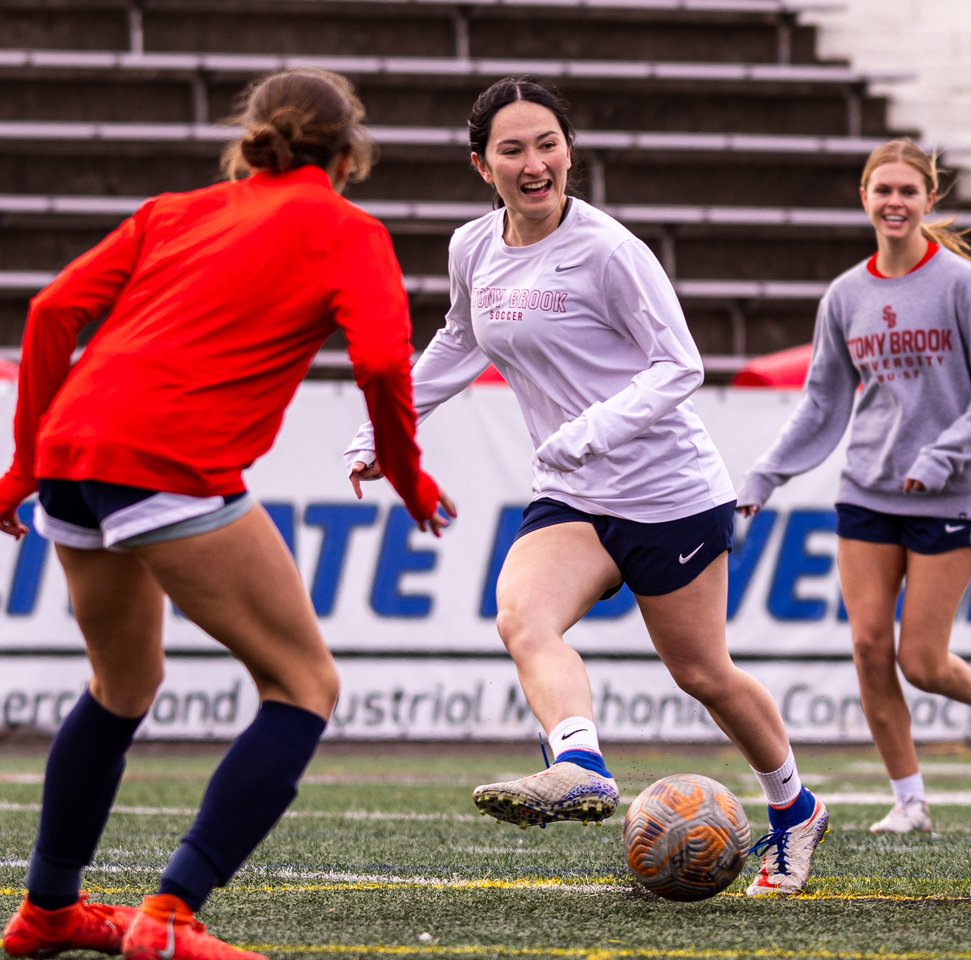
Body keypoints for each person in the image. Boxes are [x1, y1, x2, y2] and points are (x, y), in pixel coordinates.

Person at [0, 68, 453, 960]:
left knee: (121, 687)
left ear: (251, 139)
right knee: (304, 686)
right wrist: (406, 475)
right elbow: (383, 365)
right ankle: (170, 916)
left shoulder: (176, 210)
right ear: (351, 153)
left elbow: (53, 311)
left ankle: (48, 911)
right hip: (167, 462)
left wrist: (22, 465)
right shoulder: (349, 232)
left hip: (72, 453)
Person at [344, 74, 827, 895]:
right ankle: (579, 762)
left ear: (569, 152)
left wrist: (588, 432)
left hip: (669, 492)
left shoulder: (610, 249)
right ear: (480, 165)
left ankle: (795, 809)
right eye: (513, 150)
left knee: (703, 673)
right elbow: (456, 346)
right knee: (521, 616)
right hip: (573, 494)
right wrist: (380, 432)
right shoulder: (472, 248)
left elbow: (682, 365)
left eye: (548, 145)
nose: (535, 163)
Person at [737, 139, 971, 837]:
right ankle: (910, 800)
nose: (895, 202)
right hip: (868, 492)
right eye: (884, 191)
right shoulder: (846, 296)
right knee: (870, 648)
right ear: (864, 197)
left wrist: (945, 455)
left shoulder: (965, 287)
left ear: (929, 199)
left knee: (923, 660)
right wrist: (764, 474)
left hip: (951, 494)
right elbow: (822, 405)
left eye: (909, 191)